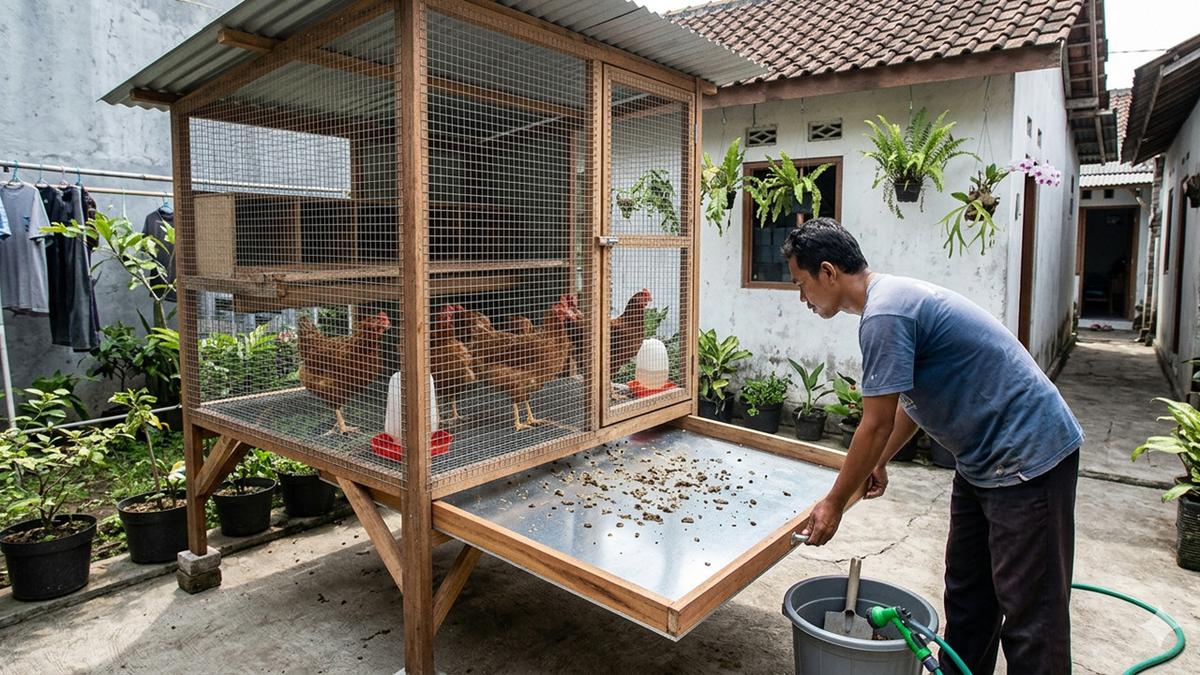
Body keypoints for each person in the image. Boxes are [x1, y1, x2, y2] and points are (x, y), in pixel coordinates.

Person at [783, 218, 1083, 675]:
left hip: (1029, 458)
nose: (802, 298)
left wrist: (835, 502)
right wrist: (877, 463)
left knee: (1030, 616)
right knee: (968, 597)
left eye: (801, 284)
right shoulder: (889, 302)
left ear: (828, 272)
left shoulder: (885, 313)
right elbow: (908, 403)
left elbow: (875, 422)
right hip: (982, 461)